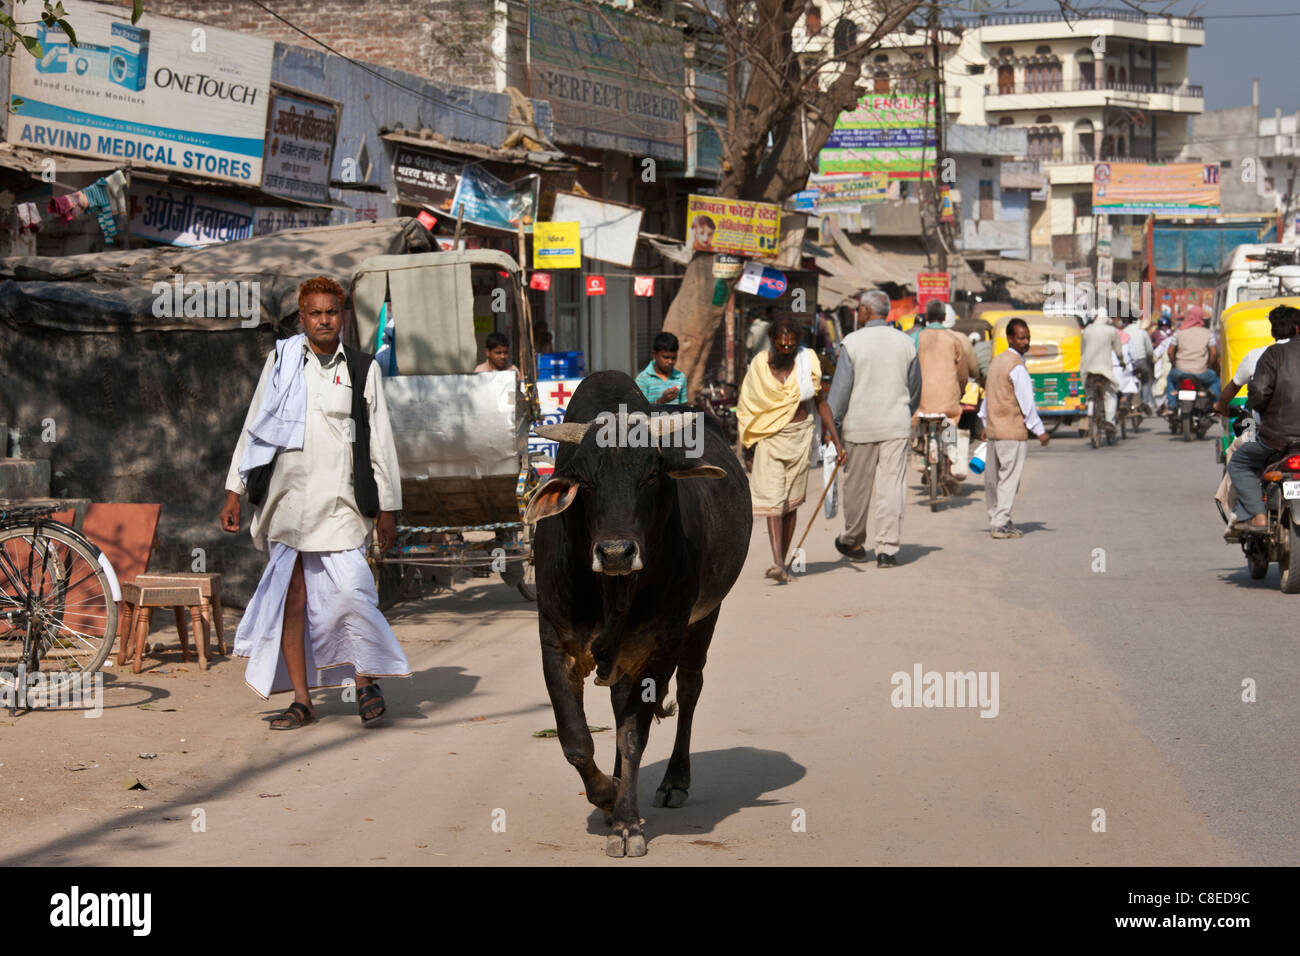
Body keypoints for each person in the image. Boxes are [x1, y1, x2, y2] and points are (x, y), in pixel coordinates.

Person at [220, 276, 410, 729]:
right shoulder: (281, 363)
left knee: (353, 592)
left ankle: (365, 681)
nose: (325, 320)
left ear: (342, 316)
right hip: (288, 504)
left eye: (332, 312)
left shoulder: (364, 369)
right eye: (315, 313)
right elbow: (255, 427)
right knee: (295, 601)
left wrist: (388, 507)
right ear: (302, 319)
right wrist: (234, 489)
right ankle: (302, 701)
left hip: (343, 504)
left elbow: (380, 442)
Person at [738, 316, 845, 583]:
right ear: (773, 341)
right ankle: (777, 562)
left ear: (796, 344)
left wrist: (836, 439)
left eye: (791, 345)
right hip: (769, 438)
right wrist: (747, 447)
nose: (786, 349)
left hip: (800, 437)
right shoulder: (759, 366)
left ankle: (781, 561)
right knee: (774, 501)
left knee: (790, 504)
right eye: (781, 345)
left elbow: (821, 403)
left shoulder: (807, 361)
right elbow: (747, 406)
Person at [827, 290, 921, 568]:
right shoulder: (905, 343)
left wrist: (834, 428)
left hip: (859, 427)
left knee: (856, 486)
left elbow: (840, 393)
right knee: (891, 486)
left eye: (859, 309)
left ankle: (853, 539)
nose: (858, 313)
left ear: (867, 311)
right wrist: (904, 412)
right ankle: (887, 549)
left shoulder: (852, 343)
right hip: (896, 425)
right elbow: (915, 388)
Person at [1225, 304, 1300, 534]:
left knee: (1239, 462)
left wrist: (1257, 407)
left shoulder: (1271, 354)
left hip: (1276, 439)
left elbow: (1257, 393)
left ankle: (1257, 515)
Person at [979, 317, 1049, 539]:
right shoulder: (1016, 367)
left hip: (994, 431)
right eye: (1021, 338)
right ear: (1010, 338)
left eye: (1027, 337)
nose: (1026, 342)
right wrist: (1039, 430)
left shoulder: (997, 362)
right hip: (1011, 432)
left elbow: (988, 397)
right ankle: (1000, 524)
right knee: (1009, 480)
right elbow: (1027, 404)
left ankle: (998, 518)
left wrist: (984, 421)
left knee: (993, 480)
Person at [915, 299, 978, 488]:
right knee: (950, 419)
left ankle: (918, 442)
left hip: (922, 399)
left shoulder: (917, 337)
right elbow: (964, 373)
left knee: (916, 417)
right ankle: (950, 453)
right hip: (947, 399)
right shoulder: (955, 340)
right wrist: (960, 389)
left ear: (926, 317)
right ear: (943, 318)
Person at [1215, 304, 1296, 420]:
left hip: (1267, 431)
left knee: (1244, 436)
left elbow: (1234, 386)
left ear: (1272, 332)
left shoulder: (1256, 355)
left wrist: (1221, 407)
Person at [1164, 304, 1220, 413]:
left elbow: (1170, 351)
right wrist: (1208, 366)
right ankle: (1214, 400)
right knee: (1216, 380)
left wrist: (1174, 363)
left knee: (1170, 379)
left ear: (1188, 316)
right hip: (1201, 372)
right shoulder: (1208, 333)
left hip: (1180, 371)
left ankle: (1172, 403)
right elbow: (1213, 354)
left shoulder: (1179, 332)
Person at [1080, 307, 1124, 433]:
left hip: (1088, 369)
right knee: (1110, 395)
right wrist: (1122, 361)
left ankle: (1090, 404)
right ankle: (1110, 421)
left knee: (1089, 392)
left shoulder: (1087, 330)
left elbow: (1082, 351)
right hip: (1105, 370)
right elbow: (1118, 350)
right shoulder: (1111, 330)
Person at [636, 331, 689, 405]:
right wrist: (661, 401)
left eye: (673, 358)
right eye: (666, 357)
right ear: (654, 354)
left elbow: (684, 406)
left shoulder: (680, 377)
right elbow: (640, 411)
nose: (670, 361)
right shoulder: (643, 379)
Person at [1123, 314, 1156, 413]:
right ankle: (1145, 401)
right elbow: (1149, 350)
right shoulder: (1143, 333)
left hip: (1128, 363)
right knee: (1146, 380)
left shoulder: (1124, 332)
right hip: (1141, 361)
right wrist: (1150, 361)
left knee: (1128, 380)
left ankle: (1125, 400)